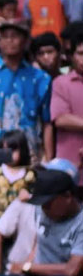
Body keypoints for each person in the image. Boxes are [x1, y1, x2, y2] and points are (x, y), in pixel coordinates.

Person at [0, 158, 83, 276]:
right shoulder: (40, 207)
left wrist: (28, 267)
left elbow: (71, 271)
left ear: (68, 196)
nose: (43, 209)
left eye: (47, 204)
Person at [0, 20, 53, 163]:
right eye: (5, 36)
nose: (9, 40)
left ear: (25, 41)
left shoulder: (40, 78)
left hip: (31, 154)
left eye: (15, 36)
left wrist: (49, 161)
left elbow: (47, 122)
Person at [50, 35, 83, 181]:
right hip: (70, 168)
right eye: (81, 53)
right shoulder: (61, 83)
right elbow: (60, 119)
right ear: (72, 56)